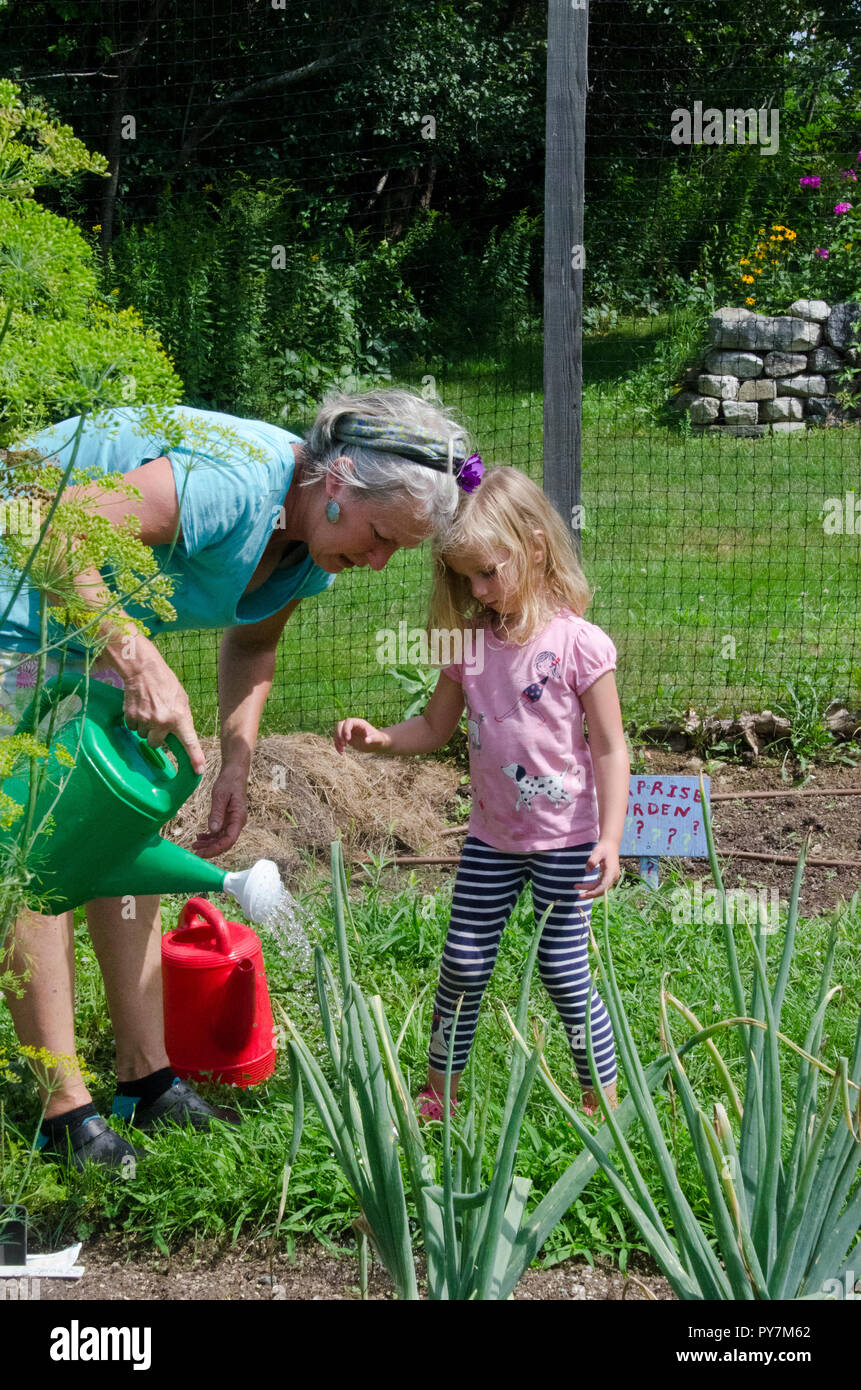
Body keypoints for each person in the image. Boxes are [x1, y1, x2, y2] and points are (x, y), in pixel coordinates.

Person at [0, 389, 476, 1167]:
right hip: (14, 607)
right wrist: (135, 652)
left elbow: (252, 647)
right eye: (380, 536)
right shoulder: (236, 484)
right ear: (337, 483)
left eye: (399, 551)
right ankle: (63, 1113)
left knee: (122, 832)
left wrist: (237, 761)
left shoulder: (311, 552)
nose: (379, 562)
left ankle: (144, 1079)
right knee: (37, 848)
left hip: (86, 625)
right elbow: (54, 528)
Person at [335, 467, 629, 1118]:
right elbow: (435, 727)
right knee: (463, 962)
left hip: (564, 840)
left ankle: (599, 1098)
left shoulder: (579, 646)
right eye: (464, 576)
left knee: (562, 968)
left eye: (487, 572)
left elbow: (609, 746)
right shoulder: (468, 646)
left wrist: (609, 837)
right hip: (491, 840)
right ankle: (440, 1090)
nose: (477, 590)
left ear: (533, 545)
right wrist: (379, 737)